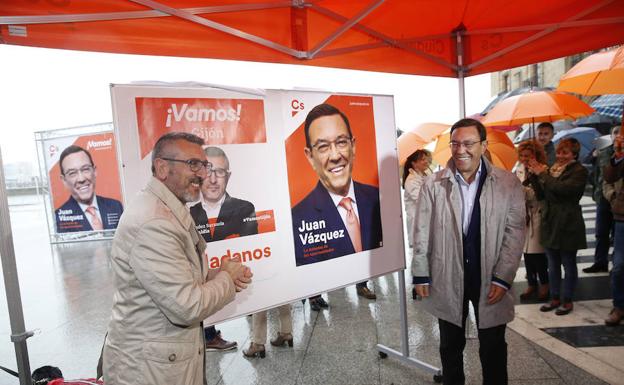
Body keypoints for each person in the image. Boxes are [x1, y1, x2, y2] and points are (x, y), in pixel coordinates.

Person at [102, 132, 253, 385]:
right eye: (193, 164)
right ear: (162, 167)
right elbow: (187, 306)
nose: (203, 174)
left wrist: (213, 276)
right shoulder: (154, 222)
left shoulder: (168, 207)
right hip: (149, 371)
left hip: (163, 363)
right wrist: (227, 278)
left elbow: (176, 280)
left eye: (204, 165)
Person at [412, 118, 525, 385]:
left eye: (468, 143)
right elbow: (421, 231)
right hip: (447, 275)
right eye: (455, 143)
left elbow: (516, 232)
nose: (460, 149)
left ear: (483, 145)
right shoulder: (434, 185)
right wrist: (420, 274)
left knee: (493, 346)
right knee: (450, 345)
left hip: (490, 276)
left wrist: (503, 276)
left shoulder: (507, 184)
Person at [291, 103, 383, 299]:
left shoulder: (377, 199)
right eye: (323, 147)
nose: (335, 156)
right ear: (310, 156)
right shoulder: (297, 217)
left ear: (353, 145)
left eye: (341, 142)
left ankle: (362, 285)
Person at [189, 146, 258, 351]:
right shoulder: (187, 214)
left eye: (219, 172)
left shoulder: (245, 208)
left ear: (228, 176)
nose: (212, 179)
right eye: (208, 170)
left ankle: (209, 336)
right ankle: (207, 335)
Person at [528, 138, 588, 316]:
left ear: (574, 154)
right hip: (550, 221)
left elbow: (563, 190)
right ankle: (554, 297)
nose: (561, 156)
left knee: (568, 263)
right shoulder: (551, 170)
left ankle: (567, 299)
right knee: (552, 264)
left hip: (568, 222)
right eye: (560, 152)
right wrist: (533, 175)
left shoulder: (579, 171)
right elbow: (541, 195)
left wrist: (543, 174)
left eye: (565, 153)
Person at [54, 145, 123, 233]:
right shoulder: (58, 218)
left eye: (85, 169)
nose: (81, 179)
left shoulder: (116, 206)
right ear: (64, 180)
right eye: (72, 173)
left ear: (94, 171)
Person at [515, 141, 549, 302]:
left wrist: (532, 177)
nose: (524, 159)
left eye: (527, 156)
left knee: (538, 253)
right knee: (527, 253)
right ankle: (531, 283)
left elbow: (540, 194)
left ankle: (544, 283)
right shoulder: (519, 169)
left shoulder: (542, 169)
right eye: (521, 155)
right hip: (524, 214)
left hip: (538, 212)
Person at [584, 125, 619, 273]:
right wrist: (594, 155)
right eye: (614, 132)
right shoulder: (603, 145)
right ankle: (600, 261)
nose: (617, 135)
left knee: (617, 234)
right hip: (602, 196)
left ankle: (617, 264)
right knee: (601, 232)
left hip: (618, 198)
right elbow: (586, 160)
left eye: (620, 132)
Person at [601, 129, 624, 326]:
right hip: (622, 217)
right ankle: (619, 305)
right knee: (618, 267)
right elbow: (609, 177)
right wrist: (617, 155)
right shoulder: (618, 153)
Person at [402, 149, 432, 247]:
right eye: (422, 160)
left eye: (426, 159)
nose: (426, 161)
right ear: (414, 164)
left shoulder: (427, 175)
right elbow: (423, 199)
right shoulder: (411, 180)